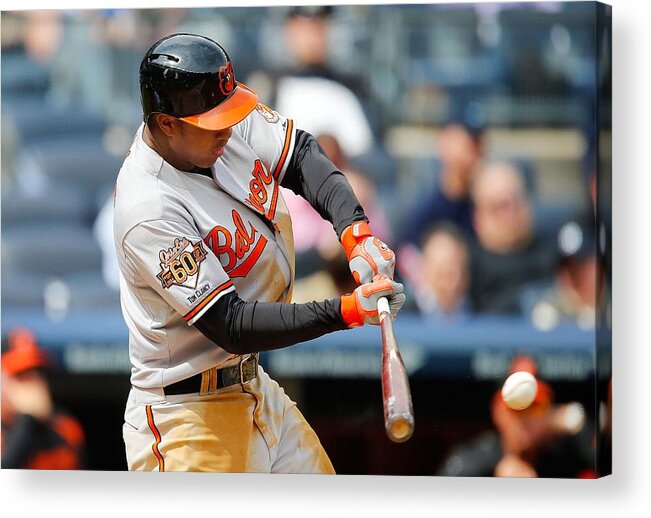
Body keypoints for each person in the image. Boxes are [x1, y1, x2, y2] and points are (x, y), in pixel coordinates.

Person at [113, 33, 404, 473]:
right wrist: (347, 311)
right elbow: (231, 324)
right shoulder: (148, 206)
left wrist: (356, 233)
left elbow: (301, 155)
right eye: (213, 122)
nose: (228, 129)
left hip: (254, 388)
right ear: (167, 123)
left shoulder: (219, 118)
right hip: (187, 418)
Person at [436, 356, 595, 478]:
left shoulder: (564, 456)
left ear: (549, 412)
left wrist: (579, 425)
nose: (525, 420)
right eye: (515, 409)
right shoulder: (475, 458)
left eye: (534, 407)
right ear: (498, 413)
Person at [468, 162, 558, 314]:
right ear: (478, 218)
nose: (510, 214)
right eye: (499, 206)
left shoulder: (559, 258)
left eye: (516, 202)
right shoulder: (466, 269)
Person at [1, 327, 86, 470]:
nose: (33, 383)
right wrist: (26, 420)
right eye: (21, 376)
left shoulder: (65, 428)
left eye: (38, 374)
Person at [412, 223, 471, 321]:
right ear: (424, 269)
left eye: (454, 269)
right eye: (441, 272)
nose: (450, 282)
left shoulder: (482, 308)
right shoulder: (404, 311)